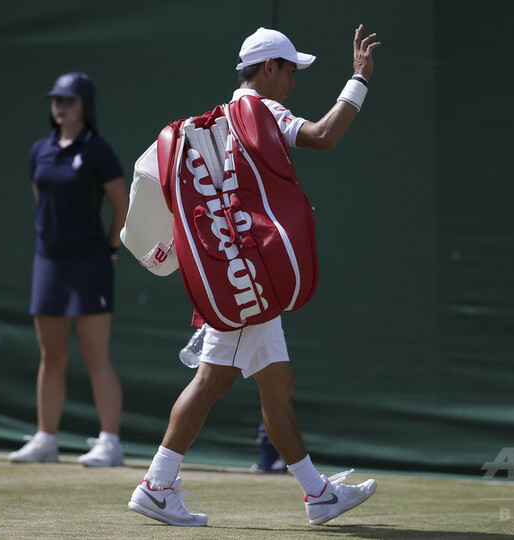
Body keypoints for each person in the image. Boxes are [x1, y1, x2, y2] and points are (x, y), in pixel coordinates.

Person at [128, 25, 381, 526]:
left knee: (272, 386)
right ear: (269, 68)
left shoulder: (222, 121)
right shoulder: (260, 110)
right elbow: (324, 136)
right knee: (215, 381)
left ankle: (315, 494)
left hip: (237, 271)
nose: (293, 82)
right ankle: (157, 486)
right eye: (290, 70)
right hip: (249, 274)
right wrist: (359, 80)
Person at [8, 72, 129, 467]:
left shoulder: (98, 151)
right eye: (55, 99)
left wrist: (110, 247)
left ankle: (110, 443)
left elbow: (122, 205)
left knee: (96, 354)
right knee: (52, 354)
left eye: (68, 99)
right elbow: (40, 198)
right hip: (48, 261)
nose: (59, 106)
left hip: (90, 260)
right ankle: (46, 439)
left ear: (85, 106)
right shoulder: (39, 151)